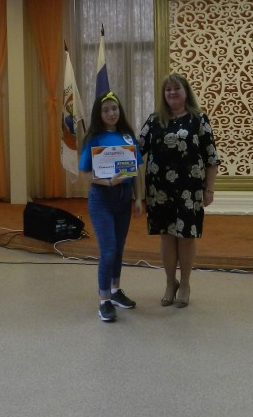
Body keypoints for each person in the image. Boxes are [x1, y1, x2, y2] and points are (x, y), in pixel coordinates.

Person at [137, 73, 220, 308]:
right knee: (166, 236)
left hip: (189, 190)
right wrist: (106, 149)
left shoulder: (199, 119)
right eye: (168, 89)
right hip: (159, 190)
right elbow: (134, 150)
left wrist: (209, 189)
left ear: (186, 92)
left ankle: (184, 284)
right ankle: (169, 282)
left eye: (176, 88)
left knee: (186, 237)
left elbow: (211, 157)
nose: (172, 92)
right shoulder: (154, 120)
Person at [80, 91, 143, 323]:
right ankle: (104, 300)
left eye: (114, 109)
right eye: (105, 110)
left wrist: (138, 198)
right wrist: (107, 182)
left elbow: (136, 171)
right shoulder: (94, 139)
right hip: (102, 199)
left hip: (123, 199)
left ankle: (115, 291)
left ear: (120, 111)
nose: (111, 113)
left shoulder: (128, 137)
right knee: (108, 251)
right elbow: (85, 173)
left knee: (118, 249)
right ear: (99, 114)